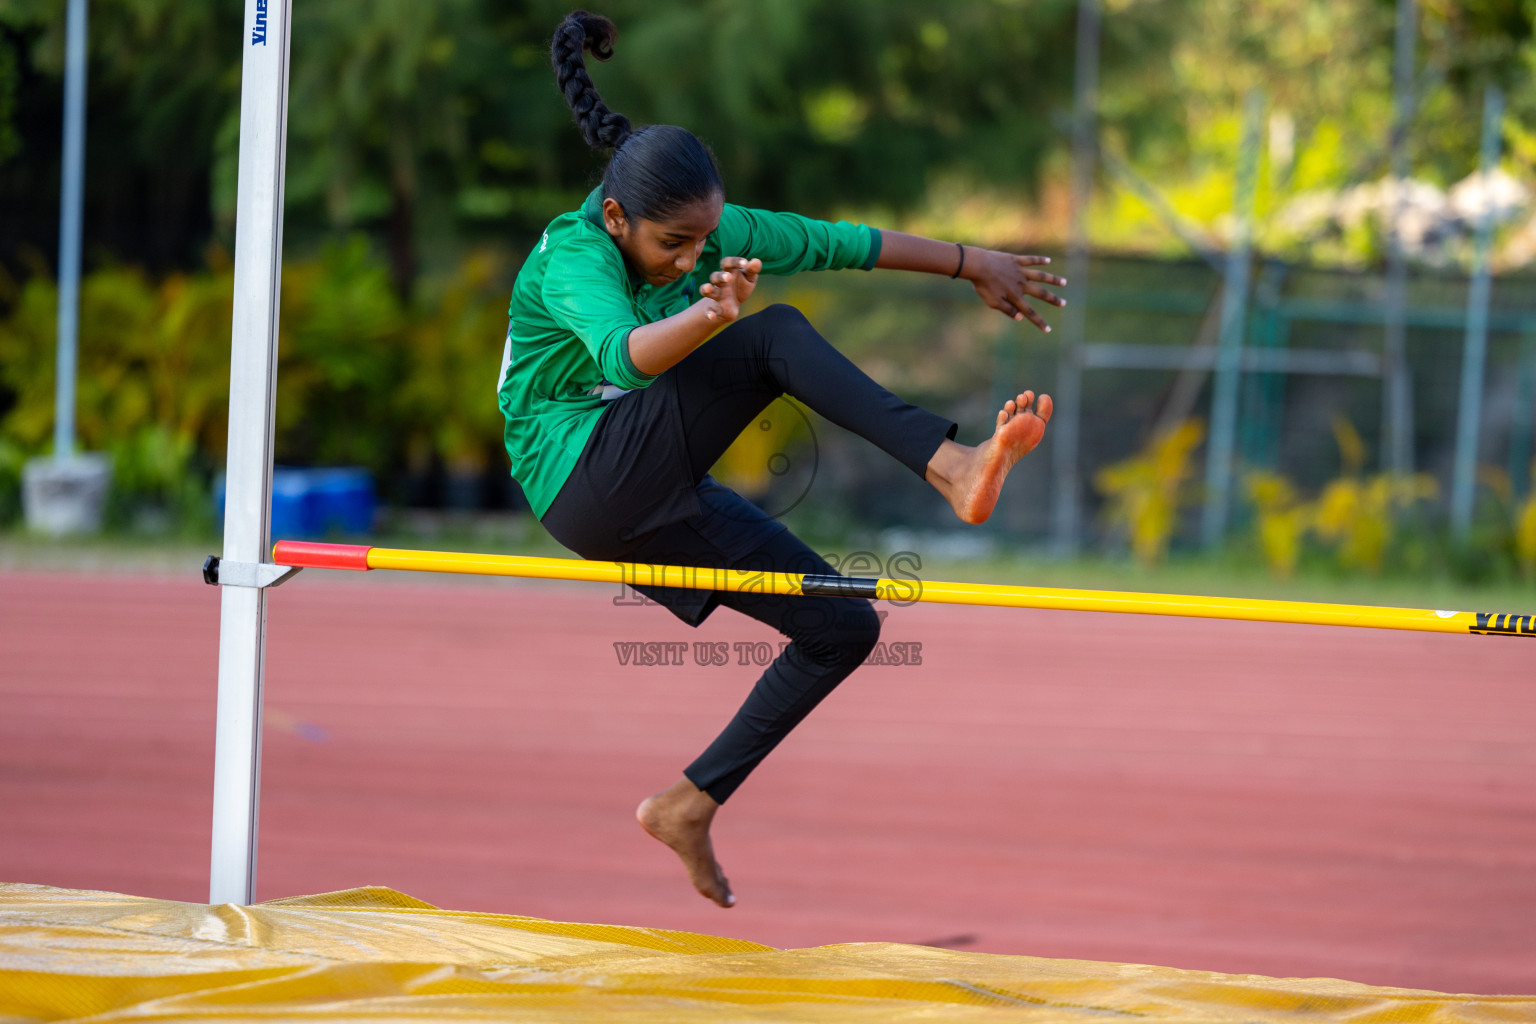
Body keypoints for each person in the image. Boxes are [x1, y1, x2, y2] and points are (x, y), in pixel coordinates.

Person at [497, 10, 1066, 909]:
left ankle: (686, 804)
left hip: (650, 483)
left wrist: (972, 261)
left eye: (703, 240)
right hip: (581, 477)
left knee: (843, 624)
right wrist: (707, 318)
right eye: (671, 246)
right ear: (616, 218)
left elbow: (846, 243)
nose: (693, 257)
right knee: (772, 339)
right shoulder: (573, 255)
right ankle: (949, 465)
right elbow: (619, 356)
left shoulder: (715, 235)